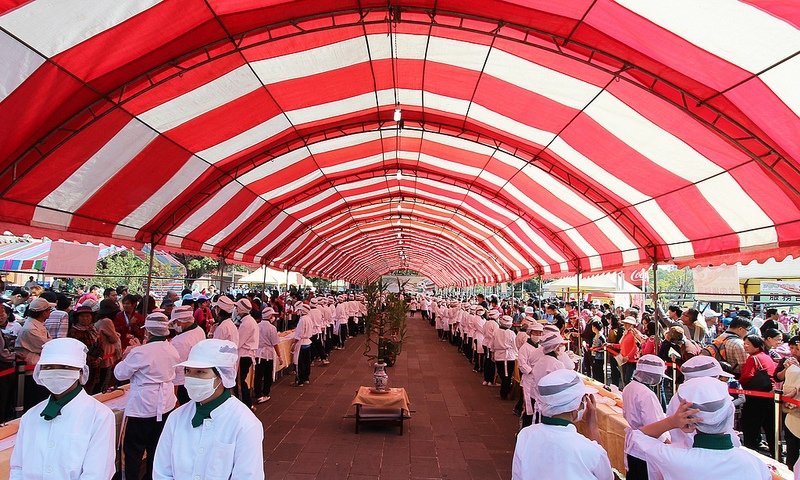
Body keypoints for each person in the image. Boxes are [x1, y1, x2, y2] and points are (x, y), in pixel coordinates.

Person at [153, 339, 264, 479]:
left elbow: (248, 475)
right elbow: (162, 471)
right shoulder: (177, 417)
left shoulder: (245, 423)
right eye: (188, 371)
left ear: (221, 376)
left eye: (200, 372)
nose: (192, 378)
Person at [10, 338, 116, 479]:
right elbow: (18, 467)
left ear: (80, 372)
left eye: (64, 367)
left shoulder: (100, 416)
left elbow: (97, 473)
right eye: (48, 367)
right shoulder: (31, 416)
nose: (55, 372)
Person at [628, 376, 770, 480]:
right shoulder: (756, 464)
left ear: (689, 419)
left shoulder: (675, 458)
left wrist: (672, 422)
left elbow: (637, 437)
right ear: (730, 413)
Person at [512, 369, 612, 479]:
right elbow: (606, 476)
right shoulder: (589, 450)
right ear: (576, 406)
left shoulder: (525, 435)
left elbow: (517, 476)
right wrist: (593, 426)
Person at [114, 312, 180, 480]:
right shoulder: (172, 349)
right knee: (156, 448)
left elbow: (120, 374)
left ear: (148, 332)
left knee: (131, 451)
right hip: (165, 403)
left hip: (141, 406)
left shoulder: (141, 352)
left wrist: (131, 352)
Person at [622, 355, 670, 480]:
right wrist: (667, 441)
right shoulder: (647, 394)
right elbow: (653, 424)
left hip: (635, 444)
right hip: (646, 448)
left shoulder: (629, 387)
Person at [740, 335, 777, 455]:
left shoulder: (753, 358)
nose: (745, 346)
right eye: (744, 343)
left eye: (748, 344)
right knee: (771, 429)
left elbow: (746, 377)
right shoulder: (767, 356)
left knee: (750, 428)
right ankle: (776, 454)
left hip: (756, 398)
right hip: (769, 396)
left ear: (756, 345)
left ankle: (749, 455)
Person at [15, 296, 53, 409]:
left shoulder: (36, 325)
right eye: (48, 310)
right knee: (35, 403)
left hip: (38, 368)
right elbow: (47, 347)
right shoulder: (30, 329)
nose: (50, 312)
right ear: (43, 312)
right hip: (31, 371)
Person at [170, 305, 206, 405]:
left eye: (174, 322)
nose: (174, 325)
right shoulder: (199, 330)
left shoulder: (179, 341)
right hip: (197, 378)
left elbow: (176, 367)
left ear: (181, 321)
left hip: (182, 383)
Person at [68, 304, 102, 393]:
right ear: (77, 318)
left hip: (94, 367)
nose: (85, 319)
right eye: (82, 316)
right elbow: (76, 350)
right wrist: (91, 360)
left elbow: (100, 346)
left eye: (88, 316)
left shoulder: (93, 330)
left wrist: (99, 358)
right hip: (81, 367)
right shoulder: (74, 332)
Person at [517, 322, 543, 428]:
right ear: (530, 333)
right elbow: (522, 364)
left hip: (538, 381)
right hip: (529, 380)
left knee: (536, 409)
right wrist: (532, 370)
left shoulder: (541, 348)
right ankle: (523, 430)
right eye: (536, 333)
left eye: (540, 333)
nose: (538, 335)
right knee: (528, 408)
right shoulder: (525, 348)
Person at [94, 299, 122, 393]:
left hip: (101, 356)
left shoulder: (99, 320)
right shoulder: (107, 321)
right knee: (103, 385)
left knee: (98, 384)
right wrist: (117, 335)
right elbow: (113, 339)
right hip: (106, 357)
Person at [235, 298, 258, 409]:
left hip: (244, 355)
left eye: (237, 308)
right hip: (246, 355)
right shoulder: (248, 321)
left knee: (240, 382)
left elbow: (238, 342)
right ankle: (246, 404)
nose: (235, 310)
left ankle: (246, 405)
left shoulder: (247, 323)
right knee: (241, 380)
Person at [254, 306, 281, 403]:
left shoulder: (257, 326)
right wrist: (280, 356)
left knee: (258, 375)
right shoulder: (272, 328)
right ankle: (265, 393)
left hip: (258, 354)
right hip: (268, 355)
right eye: (273, 315)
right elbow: (275, 343)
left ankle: (257, 394)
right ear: (270, 316)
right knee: (267, 375)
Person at [493, 315, 518, 400]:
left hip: (499, 356)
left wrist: (493, 353)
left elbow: (493, 344)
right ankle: (505, 392)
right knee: (508, 376)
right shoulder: (511, 333)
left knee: (502, 375)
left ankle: (504, 392)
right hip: (509, 357)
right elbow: (515, 346)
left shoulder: (496, 331)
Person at [290, 302, 313, 386]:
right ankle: (306, 378)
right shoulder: (308, 318)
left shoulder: (302, 319)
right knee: (306, 362)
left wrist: (294, 344)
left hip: (302, 343)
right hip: (307, 342)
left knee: (300, 362)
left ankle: (299, 380)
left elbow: (299, 334)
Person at [619, 316, 641, 385]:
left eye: (627, 323)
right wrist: (611, 345)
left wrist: (628, 356)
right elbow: (621, 345)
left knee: (628, 379)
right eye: (625, 323)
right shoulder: (626, 333)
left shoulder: (635, 333)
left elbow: (636, 347)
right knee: (625, 379)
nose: (625, 325)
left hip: (631, 360)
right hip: (624, 359)